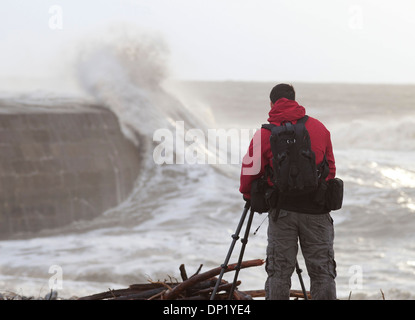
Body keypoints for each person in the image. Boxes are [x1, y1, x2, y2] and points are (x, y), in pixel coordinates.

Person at [239, 83, 337, 300]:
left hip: (282, 211)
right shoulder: (319, 128)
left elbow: (249, 174)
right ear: (295, 100)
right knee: (322, 272)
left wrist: (250, 196)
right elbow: (330, 168)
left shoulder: (264, 134)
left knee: (279, 273)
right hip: (317, 212)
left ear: (272, 103)